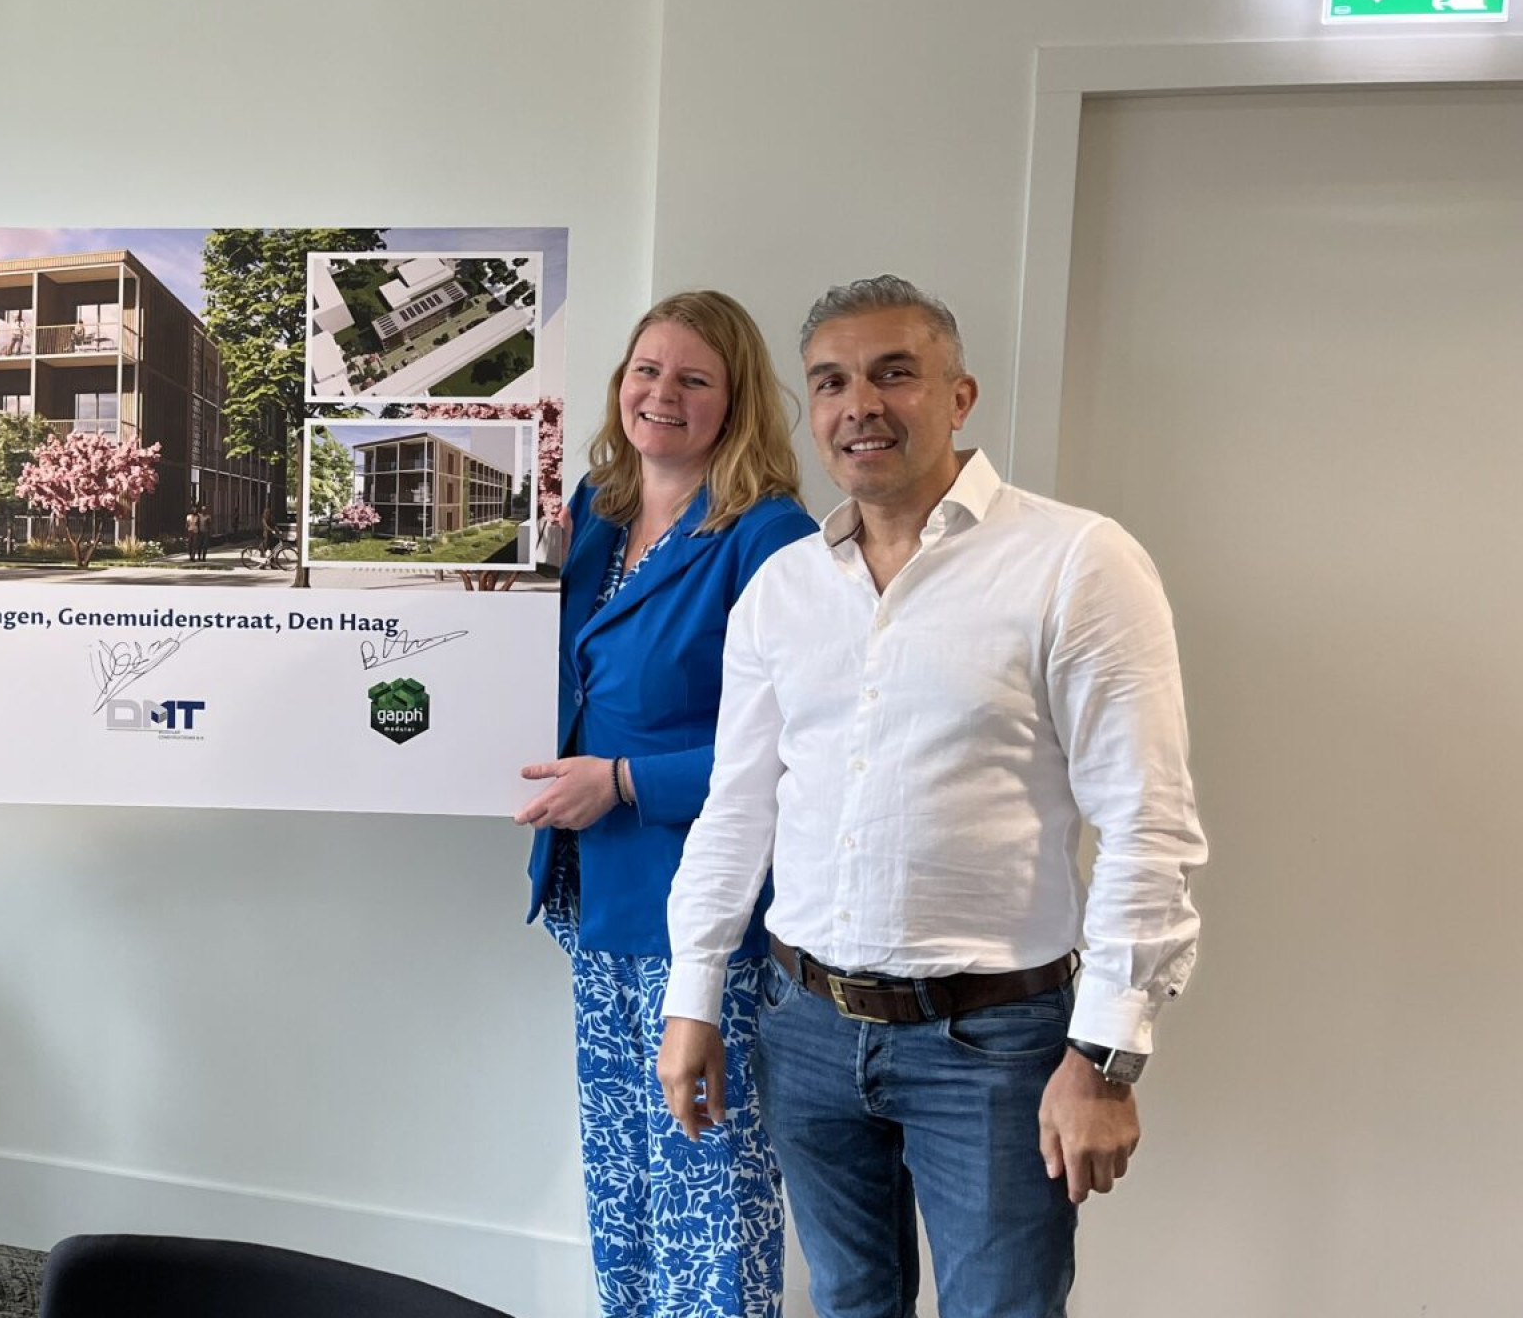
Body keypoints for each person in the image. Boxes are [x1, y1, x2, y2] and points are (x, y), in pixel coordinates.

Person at [656, 276, 1207, 1318]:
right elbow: (738, 808)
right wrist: (693, 996)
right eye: (831, 382)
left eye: (893, 374)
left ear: (959, 397)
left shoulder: (1075, 562)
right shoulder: (784, 588)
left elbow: (1147, 820)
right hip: (805, 1029)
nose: (859, 405)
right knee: (849, 1305)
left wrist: (1104, 1056)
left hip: (993, 1046)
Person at [513, 291, 816, 1318]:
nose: (661, 394)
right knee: (624, 1180)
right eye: (647, 370)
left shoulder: (770, 537)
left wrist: (623, 781)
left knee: (707, 1185)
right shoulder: (592, 515)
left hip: (703, 911)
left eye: (693, 378)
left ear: (736, 401)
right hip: (592, 890)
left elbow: (795, 742)